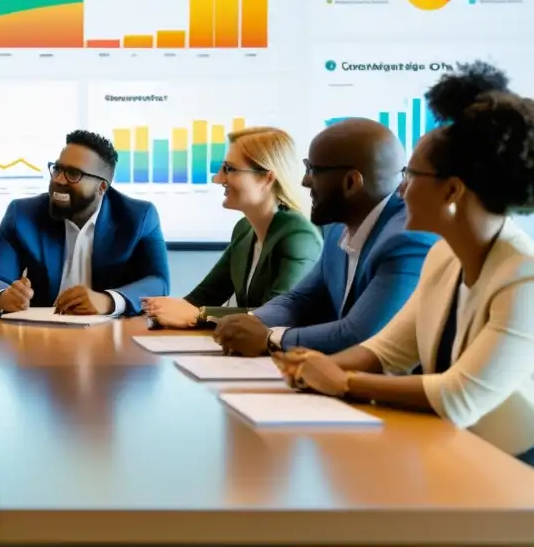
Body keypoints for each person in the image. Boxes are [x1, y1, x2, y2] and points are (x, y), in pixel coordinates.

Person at [275, 63, 534, 466]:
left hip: (514, 474)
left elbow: (458, 397)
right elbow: (386, 351)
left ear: (452, 190)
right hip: (455, 455)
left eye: (411, 175)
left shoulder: (524, 275)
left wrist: (342, 381)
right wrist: (311, 366)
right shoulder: (443, 257)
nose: (401, 188)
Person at [212, 118, 438, 356]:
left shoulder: (406, 239)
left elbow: (360, 335)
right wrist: (249, 322)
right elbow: (300, 300)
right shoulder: (337, 230)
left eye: (313, 170)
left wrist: (270, 338)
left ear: (351, 182)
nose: (304, 181)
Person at [0, 130, 169, 317]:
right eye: (57, 169)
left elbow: (158, 283)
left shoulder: (138, 217)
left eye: (73, 174)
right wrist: (3, 297)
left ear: (101, 187)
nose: (59, 180)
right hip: (40, 338)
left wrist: (107, 301)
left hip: (109, 339)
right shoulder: (23, 214)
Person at [141, 126, 321, 328]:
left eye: (229, 169)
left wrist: (199, 315)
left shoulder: (298, 235)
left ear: (267, 178)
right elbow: (202, 298)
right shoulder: (244, 229)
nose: (217, 179)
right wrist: (163, 308)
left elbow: (276, 315)